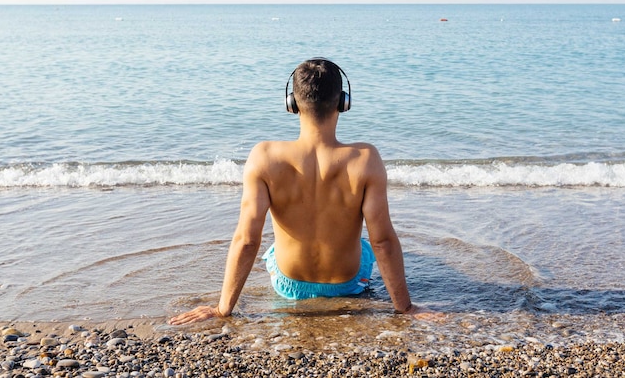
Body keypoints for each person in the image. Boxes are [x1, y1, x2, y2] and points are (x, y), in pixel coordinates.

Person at [169, 58, 434, 325]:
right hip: (348, 283)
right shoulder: (365, 159)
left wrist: (221, 309)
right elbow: (383, 242)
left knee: (273, 249)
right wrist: (406, 308)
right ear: (344, 102)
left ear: (292, 104)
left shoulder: (264, 157)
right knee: (365, 246)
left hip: (289, 285)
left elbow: (247, 240)